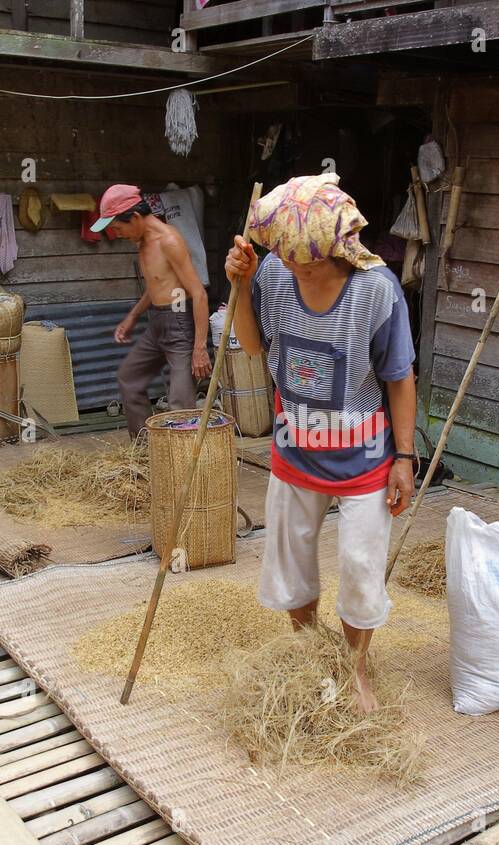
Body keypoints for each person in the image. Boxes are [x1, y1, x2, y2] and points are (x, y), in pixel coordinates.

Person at [225, 174, 417, 713]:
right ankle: (311, 653)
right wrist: (240, 286)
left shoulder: (375, 291)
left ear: (333, 251)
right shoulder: (274, 276)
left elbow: (400, 376)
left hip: (363, 460)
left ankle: (355, 669)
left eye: (299, 260)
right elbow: (251, 344)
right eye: (280, 257)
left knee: (360, 567)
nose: (288, 266)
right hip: (294, 452)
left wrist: (403, 458)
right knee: (290, 562)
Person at [93, 184, 211, 438]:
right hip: (156, 322)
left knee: (180, 404)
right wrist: (133, 316)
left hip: (178, 323)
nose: (117, 234)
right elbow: (156, 284)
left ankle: (182, 463)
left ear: (135, 217)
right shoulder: (141, 240)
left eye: (117, 228)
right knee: (129, 379)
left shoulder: (169, 240)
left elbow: (199, 293)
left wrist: (199, 348)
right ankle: (146, 449)